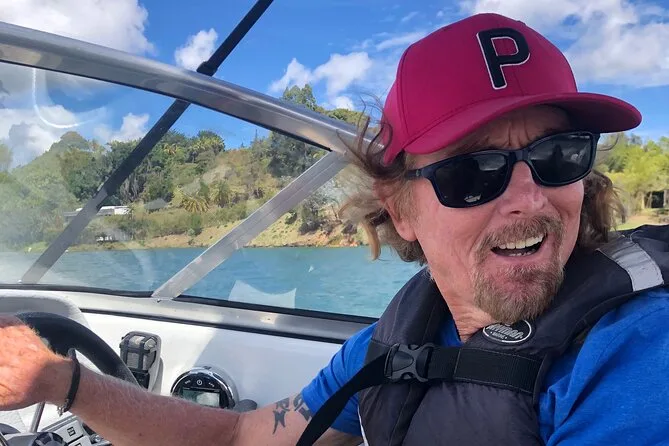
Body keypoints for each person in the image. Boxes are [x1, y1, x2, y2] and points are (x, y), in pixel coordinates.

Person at [0, 11, 667, 446]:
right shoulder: (395, 343)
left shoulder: (638, 356)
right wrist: (61, 383)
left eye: (559, 156)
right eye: (473, 172)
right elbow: (241, 438)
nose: (529, 198)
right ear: (398, 206)